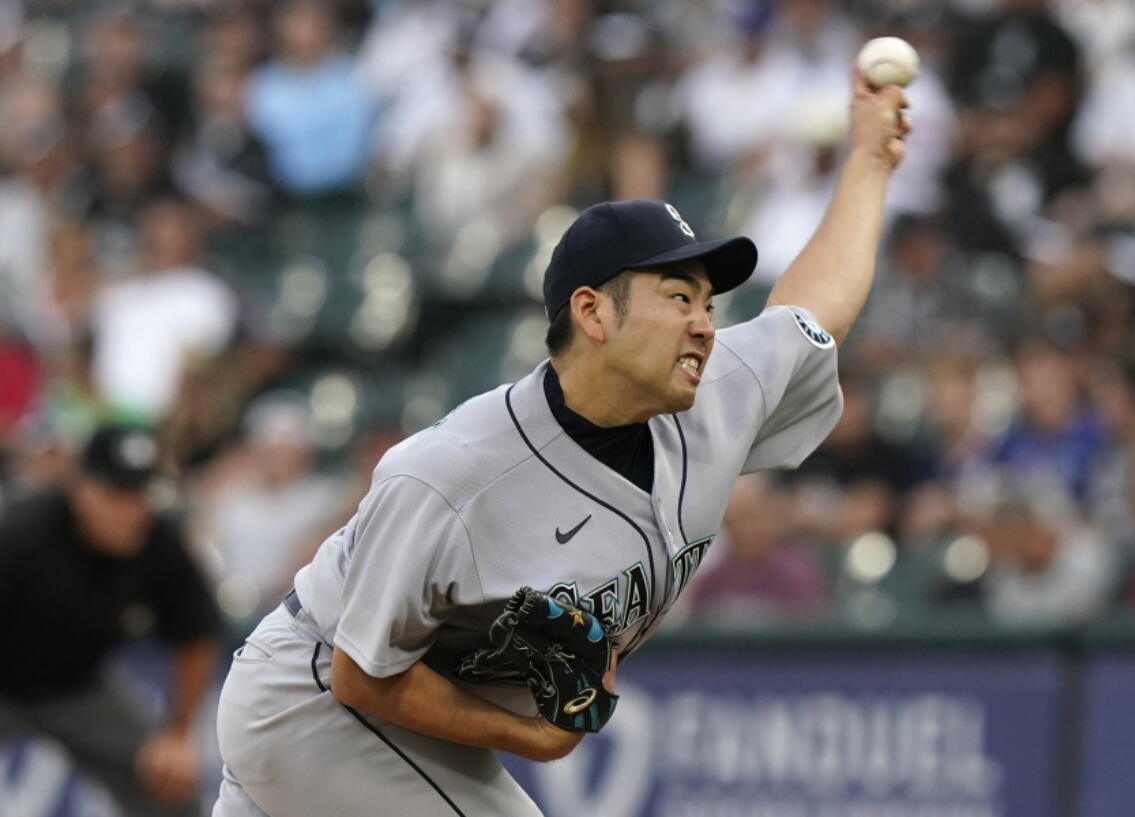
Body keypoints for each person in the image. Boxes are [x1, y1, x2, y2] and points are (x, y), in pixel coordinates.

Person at [212, 64, 909, 817]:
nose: (705, 322)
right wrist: (533, 736)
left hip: (398, 717)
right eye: (678, 297)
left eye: (708, 301)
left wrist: (869, 160)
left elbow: (813, 312)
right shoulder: (453, 475)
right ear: (593, 313)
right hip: (315, 698)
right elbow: (361, 674)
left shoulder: (718, 387)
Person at [0, 424, 220, 817]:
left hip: (80, 686)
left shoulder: (158, 540)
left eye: (141, 494)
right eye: (115, 493)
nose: (131, 510)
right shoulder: (22, 535)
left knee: (170, 788)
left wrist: (178, 735)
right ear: (79, 486)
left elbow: (195, 634)